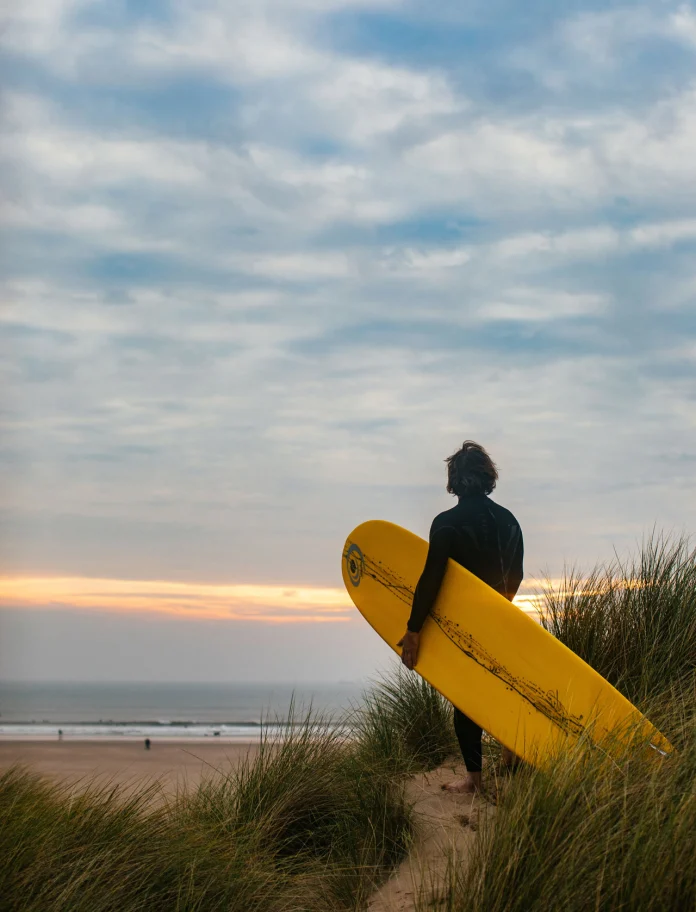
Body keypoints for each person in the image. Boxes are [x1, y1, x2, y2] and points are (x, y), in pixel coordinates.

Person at [397, 440, 524, 794]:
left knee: (465, 696)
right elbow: (517, 575)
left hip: (464, 628)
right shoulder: (511, 522)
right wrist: (500, 609)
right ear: (488, 477)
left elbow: (432, 578)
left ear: (454, 480)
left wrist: (414, 629)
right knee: (500, 688)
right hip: (503, 622)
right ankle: (511, 747)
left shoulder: (447, 523)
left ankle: (474, 780)